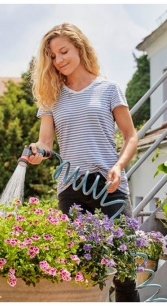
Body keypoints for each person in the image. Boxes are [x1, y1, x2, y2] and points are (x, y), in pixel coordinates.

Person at [27, 23, 139, 302]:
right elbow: (46, 143)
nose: (59, 60)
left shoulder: (109, 89)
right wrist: (36, 151)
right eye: (53, 56)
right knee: (79, 271)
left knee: (124, 270)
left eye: (64, 51)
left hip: (109, 186)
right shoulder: (51, 97)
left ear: (80, 47)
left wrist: (118, 166)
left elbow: (131, 137)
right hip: (72, 189)